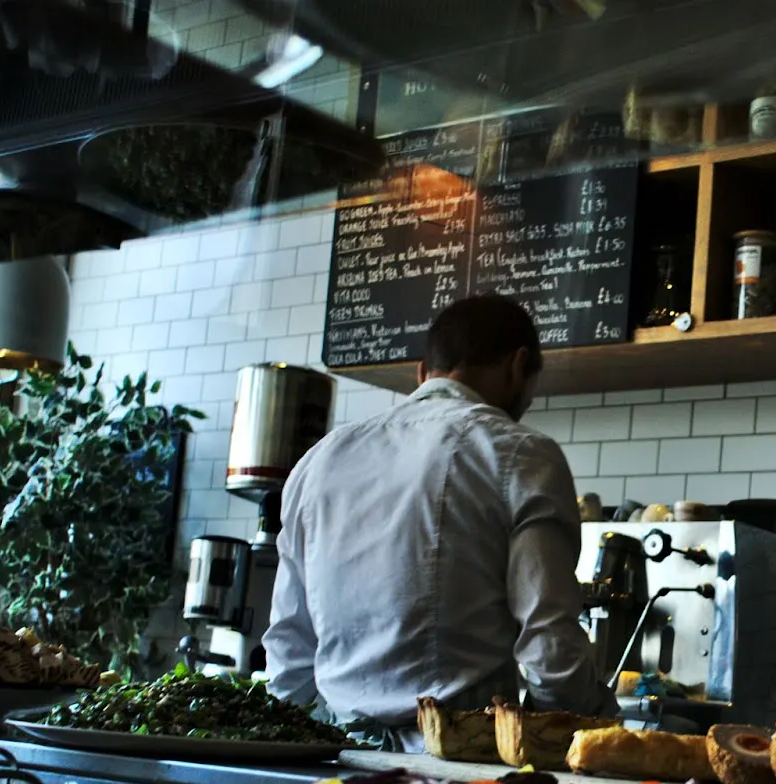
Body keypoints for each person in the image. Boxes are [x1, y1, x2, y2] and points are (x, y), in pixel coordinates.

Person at [264, 294, 615, 748]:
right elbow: (549, 646)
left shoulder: (319, 460)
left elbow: (290, 643)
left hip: (336, 758)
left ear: (422, 373)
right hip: (458, 764)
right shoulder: (521, 454)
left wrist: (284, 752)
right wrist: (593, 729)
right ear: (518, 365)